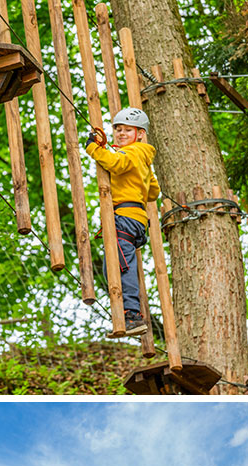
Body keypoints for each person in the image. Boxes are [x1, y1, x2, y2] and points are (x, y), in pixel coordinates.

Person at [83, 107, 160, 337]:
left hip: (125, 219)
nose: (121, 134)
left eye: (128, 130)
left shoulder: (133, 153)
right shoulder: (141, 158)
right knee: (115, 265)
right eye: (118, 130)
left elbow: (115, 163)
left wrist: (93, 148)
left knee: (120, 266)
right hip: (134, 219)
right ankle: (127, 313)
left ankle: (132, 315)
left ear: (140, 134)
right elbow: (153, 191)